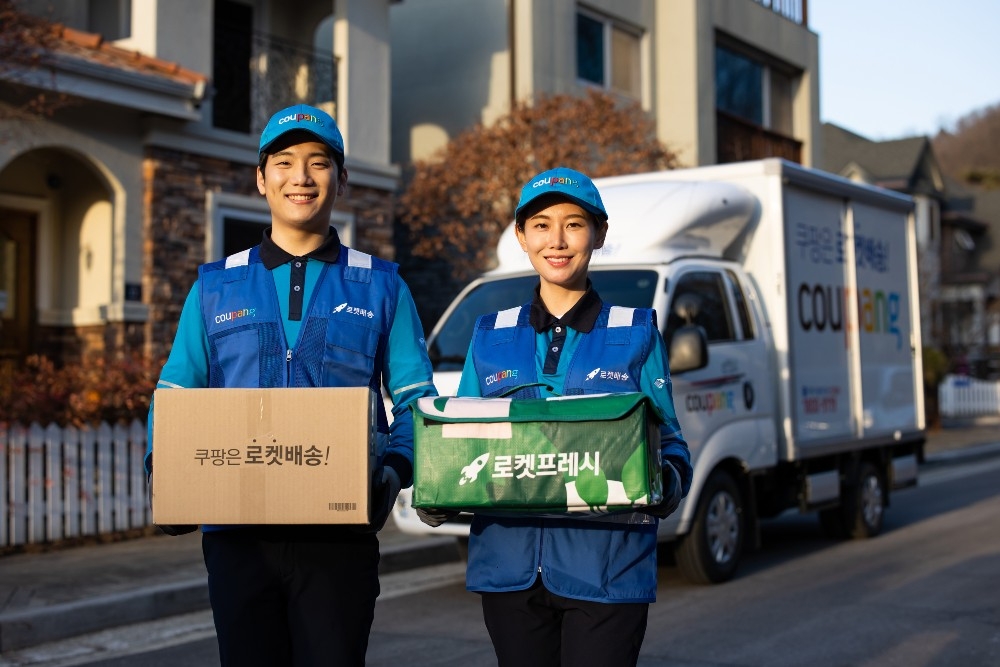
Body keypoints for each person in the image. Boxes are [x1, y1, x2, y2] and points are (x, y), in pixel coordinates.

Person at [144, 103, 437, 666]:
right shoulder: (214, 287)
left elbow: (417, 401)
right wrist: (165, 470)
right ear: (261, 178)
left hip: (339, 539)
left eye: (318, 163)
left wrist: (396, 471)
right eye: (284, 162)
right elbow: (176, 393)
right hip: (237, 538)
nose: (300, 177)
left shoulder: (382, 286)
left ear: (341, 179)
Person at [417, 167, 692, 667]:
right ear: (521, 237)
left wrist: (664, 482)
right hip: (509, 569)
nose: (557, 240)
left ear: (599, 234)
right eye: (541, 225)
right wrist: (436, 489)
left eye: (574, 224)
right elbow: (466, 441)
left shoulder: (636, 331)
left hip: (607, 567)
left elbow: (669, 442)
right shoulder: (490, 333)